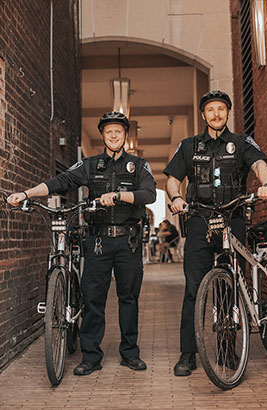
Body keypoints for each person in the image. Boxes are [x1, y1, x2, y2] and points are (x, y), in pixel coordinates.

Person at [7, 111, 156, 376]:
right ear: (103, 135)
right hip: (97, 241)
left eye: (118, 131)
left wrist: (119, 195)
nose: (113, 135)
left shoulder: (139, 166)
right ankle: (91, 356)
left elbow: (149, 194)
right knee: (93, 299)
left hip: (127, 242)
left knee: (128, 298)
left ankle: (130, 353)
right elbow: (60, 181)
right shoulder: (90, 165)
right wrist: (27, 193)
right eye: (109, 131)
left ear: (125, 135)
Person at [163, 90, 267, 376]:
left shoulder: (240, 143)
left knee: (228, 287)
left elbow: (259, 163)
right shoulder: (189, 146)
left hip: (232, 219)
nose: (216, 114)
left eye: (221, 109)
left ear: (228, 113)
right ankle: (188, 354)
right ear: (203, 115)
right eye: (211, 109)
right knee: (194, 289)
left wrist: (266, 184)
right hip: (199, 221)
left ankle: (227, 350)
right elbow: (173, 179)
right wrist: (176, 198)